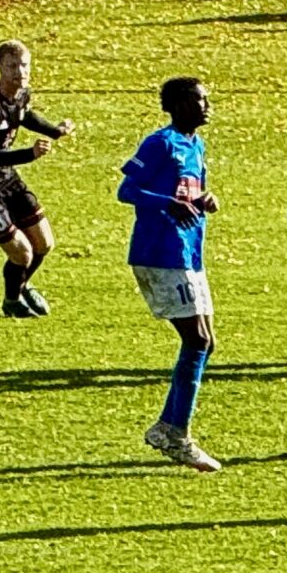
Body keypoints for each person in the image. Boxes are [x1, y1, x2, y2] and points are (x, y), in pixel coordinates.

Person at [118, 77, 222, 473]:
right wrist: (167, 204)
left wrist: (204, 199)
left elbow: (191, 191)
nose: (207, 105)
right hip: (160, 252)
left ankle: (166, 427)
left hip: (189, 252)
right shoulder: (159, 143)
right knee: (197, 339)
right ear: (178, 104)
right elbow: (126, 190)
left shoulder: (197, 145)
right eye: (200, 99)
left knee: (205, 342)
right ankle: (176, 434)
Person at [0, 41, 71, 319]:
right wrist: (29, 154)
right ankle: (12, 301)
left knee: (44, 243)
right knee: (22, 253)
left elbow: (24, 115)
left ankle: (20, 285)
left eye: (24, 65)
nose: (20, 72)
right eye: (12, 66)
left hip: (7, 180)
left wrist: (54, 131)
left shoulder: (21, 93)